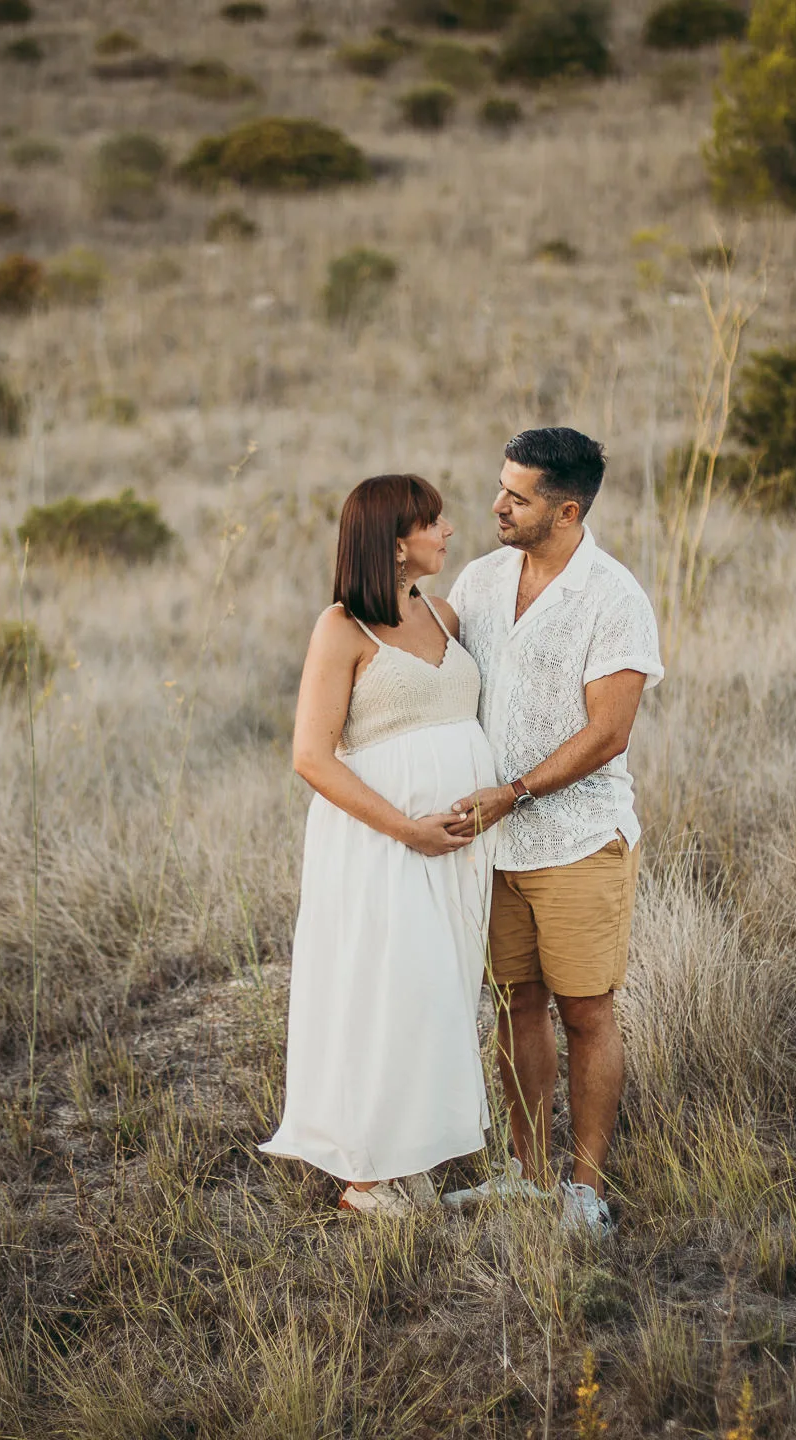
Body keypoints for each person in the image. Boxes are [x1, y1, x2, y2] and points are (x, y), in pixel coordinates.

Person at [443, 427, 663, 1239]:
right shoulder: (481, 578)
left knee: (586, 1012)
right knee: (514, 1005)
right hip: (493, 847)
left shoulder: (613, 598)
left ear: (566, 510)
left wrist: (514, 792)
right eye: (500, 485)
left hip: (576, 839)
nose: (497, 503)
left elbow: (609, 732)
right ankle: (529, 1175)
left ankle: (585, 1188)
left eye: (518, 495)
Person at [260, 473, 499, 1216]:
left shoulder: (441, 612)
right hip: (382, 844)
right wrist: (408, 828)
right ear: (394, 545)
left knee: (439, 994)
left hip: (455, 849)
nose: (447, 532)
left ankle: (410, 1156)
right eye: (432, 523)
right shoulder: (342, 629)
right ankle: (366, 1179)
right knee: (390, 991)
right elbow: (311, 755)